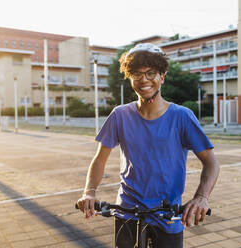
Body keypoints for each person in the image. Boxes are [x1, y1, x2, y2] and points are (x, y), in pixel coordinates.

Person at [76, 43, 220, 248]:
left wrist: (201, 197)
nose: (144, 79)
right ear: (130, 78)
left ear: (162, 76)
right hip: (127, 211)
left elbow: (211, 162)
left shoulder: (182, 117)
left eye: (151, 73)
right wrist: (89, 192)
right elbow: (100, 159)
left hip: (168, 214)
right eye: (136, 73)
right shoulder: (120, 115)